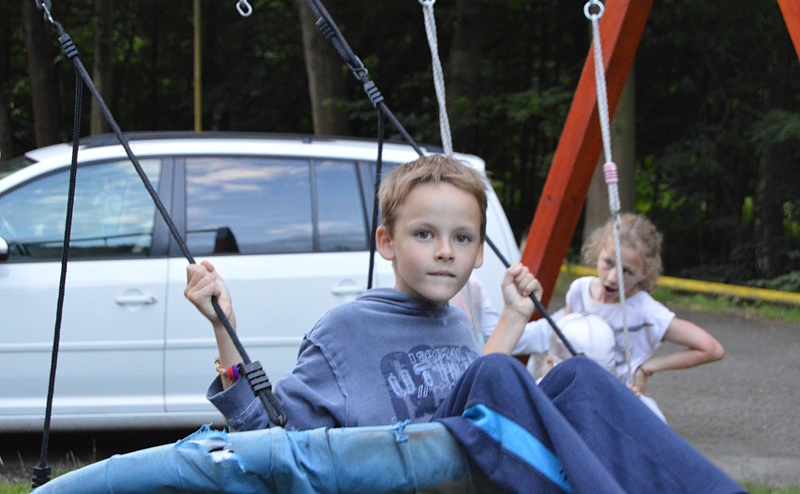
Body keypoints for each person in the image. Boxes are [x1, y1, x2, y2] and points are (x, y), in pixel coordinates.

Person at [185, 156, 741, 492]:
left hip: (468, 473)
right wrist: (224, 329)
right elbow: (269, 438)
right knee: (500, 375)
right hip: (416, 481)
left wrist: (517, 314)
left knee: (579, 377)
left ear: (478, 254)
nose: (445, 251)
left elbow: (476, 396)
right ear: (386, 242)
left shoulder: (455, 323)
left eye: (463, 238)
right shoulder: (348, 329)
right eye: (424, 234)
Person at [564, 213, 725, 398]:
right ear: (597, 251)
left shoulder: (646, 311)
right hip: (572, 390)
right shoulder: (580, 290)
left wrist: (646, 368)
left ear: (645, 273)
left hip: (617, 399)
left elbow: (711, 349)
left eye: (627, 271)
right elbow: (563, 335)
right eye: (608, 263)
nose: (613, 278)